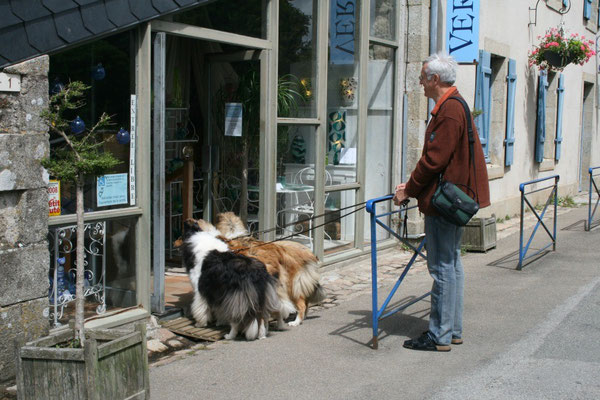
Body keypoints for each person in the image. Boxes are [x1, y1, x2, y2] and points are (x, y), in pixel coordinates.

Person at [393, 52, 490, 351]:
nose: (420, 83)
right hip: (454, 198)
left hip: (444, 201)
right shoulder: (455, 104)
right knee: (452, 265)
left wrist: (408, 188)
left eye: (422, 77)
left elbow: (434, 161)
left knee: (443, 268)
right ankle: (452, 330)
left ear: (435, 79)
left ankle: (439, 335)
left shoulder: (448, 109)